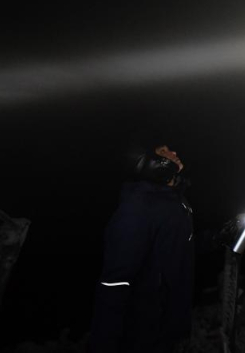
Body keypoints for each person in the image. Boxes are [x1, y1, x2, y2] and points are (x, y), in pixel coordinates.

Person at [88, 143, 194, 353]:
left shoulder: (175, 200)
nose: (173, 153)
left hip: (168, 324)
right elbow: (115, 281)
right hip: (144, 331)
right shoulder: (138, 206)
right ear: (151, 163)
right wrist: (104, 343)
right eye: (163, 151)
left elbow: (176, 247)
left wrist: (217, 238)